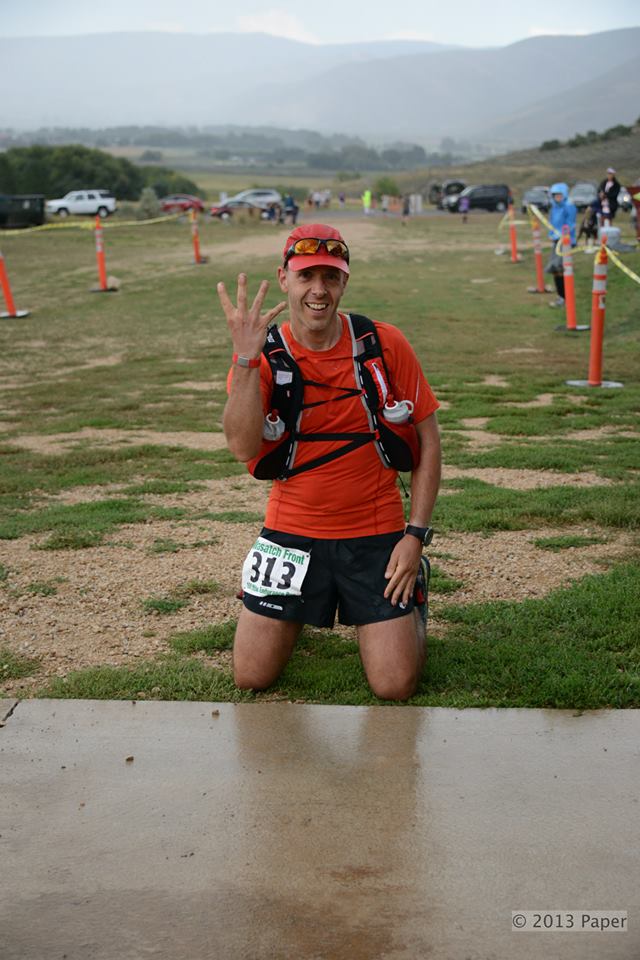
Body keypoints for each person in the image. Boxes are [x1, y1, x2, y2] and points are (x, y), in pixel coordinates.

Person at [217, 223, 441, 701]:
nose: (318, 290)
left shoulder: (383, 343)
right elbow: (241, 447)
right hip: (291, 531)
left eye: (331, 277)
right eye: (305, 276)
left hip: (376, 532)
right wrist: (244, 360)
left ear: (344, 281)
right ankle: (296, 610)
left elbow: (428, 439)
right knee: (251, 675)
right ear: (284, 278)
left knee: (394, 685)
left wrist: (415, 535)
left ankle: (410, 601)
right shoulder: (265, 353)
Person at [546, 182, 576, 308]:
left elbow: (570, 224)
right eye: (555, 195)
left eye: (559, 195)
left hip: (565, 242)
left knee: (560, 268)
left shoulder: (569, 207)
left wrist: (563, 235)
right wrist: (551, 234)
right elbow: (552, 223)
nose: (557, 197)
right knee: (554, 269)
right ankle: (560, 296)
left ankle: (565, 298)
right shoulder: (554, 207)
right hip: (556, 241)